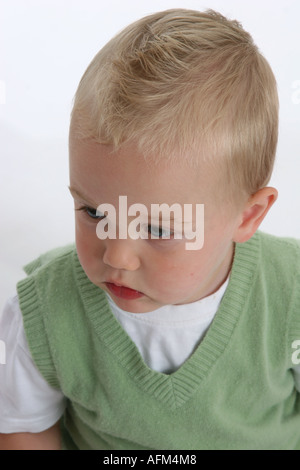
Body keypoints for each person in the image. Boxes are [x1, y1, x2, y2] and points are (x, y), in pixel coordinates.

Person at [0, 8, 300, 450]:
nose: (116, 255)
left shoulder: (290, 293)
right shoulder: (45, 314)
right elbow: (24, 425)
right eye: (94, 213)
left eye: (158, 228)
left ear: (247, 216)